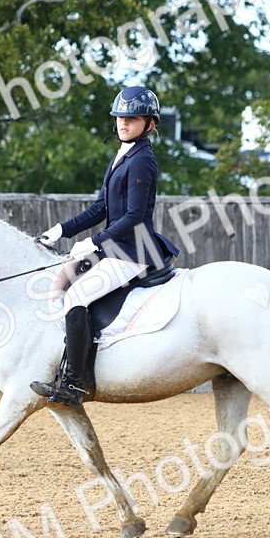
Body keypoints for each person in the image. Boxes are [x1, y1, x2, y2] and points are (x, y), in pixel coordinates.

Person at [29, 85, 181, 406]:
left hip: (133, 251)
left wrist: (93, 241)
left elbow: (134, 216)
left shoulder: (142, 160)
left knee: (76, 296)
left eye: (132, 119)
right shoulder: (122, 155)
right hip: (116, 247)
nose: (124, 124)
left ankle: (77, 383)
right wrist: (60, 230)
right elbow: (100, 208)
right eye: (120, 118)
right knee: (62, 284)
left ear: (149, 124)